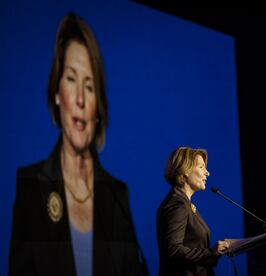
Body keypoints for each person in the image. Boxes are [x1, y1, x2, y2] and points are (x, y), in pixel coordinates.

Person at [9, 12, 148, 276]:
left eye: (90, 86)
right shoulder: (30, 188)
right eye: (71, 79)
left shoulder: (118, 196)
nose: (81, 99)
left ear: (99, 107)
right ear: (57, 92)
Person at [157, 146, 229, 276]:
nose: (207, 173)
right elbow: (173, 250)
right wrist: (210, 252)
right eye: (201, 167)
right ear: (186, 170)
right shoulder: (177, 204)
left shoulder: (185, 203)